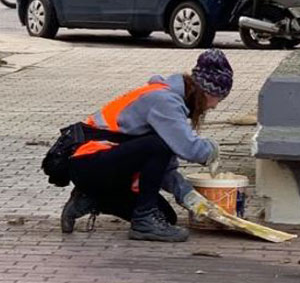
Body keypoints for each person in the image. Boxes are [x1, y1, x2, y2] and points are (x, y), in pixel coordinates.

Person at [60, 49, 233, 242]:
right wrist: (211, 150)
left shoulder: (168, 102)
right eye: (219, 98)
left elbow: (163, 166)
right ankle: (144, 220)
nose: (215, 106)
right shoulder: (164, 101)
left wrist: (186, 194)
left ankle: (90, 199)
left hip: (102, 165)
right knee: (159, 146)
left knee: (167, 217)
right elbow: (189, 149)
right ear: (206, 91)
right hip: (88, 162)